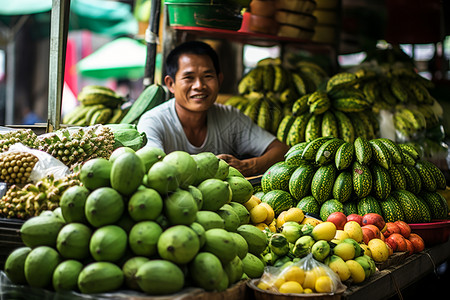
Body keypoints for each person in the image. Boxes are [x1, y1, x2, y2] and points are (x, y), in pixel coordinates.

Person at [137, 40, 289, 177]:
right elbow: (153, 170)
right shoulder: (153, 122)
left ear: (219, 80)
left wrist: (247, 166)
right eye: (189, 78)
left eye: (207, 76)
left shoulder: (230, 117)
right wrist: (205, 168)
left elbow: (281, 151)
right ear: (171, 84)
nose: (199, 86)